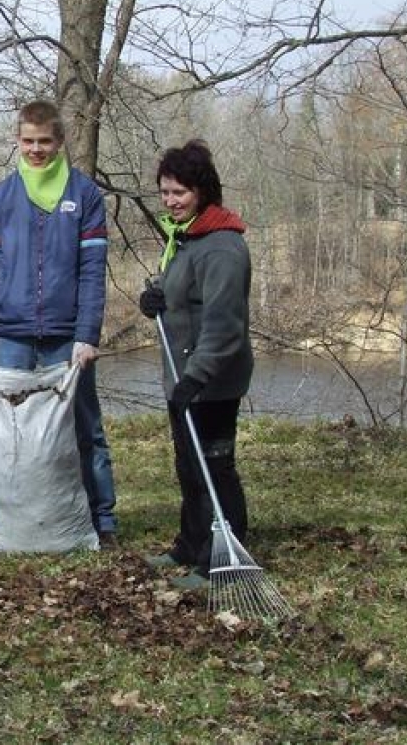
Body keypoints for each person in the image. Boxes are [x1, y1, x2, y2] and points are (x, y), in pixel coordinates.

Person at [0, 98, 117, 551]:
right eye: (28, 142)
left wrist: (87, 335)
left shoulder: (85, 196)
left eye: (45, 142)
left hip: (66, 338)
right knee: (2, 430)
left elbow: (93, 272)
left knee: (86, 428)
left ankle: (102, 521)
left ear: (60, 141)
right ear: (17, 141)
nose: (36, 150)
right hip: (9, 336)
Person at [138, 139, 253, 591]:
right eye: (164, 192)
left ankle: (222, 562)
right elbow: (186, 302)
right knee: (188, 465)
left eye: (178, 192)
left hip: (213, 382)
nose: (170, 201)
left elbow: (224, 326)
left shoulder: (223, 247)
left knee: (214, 468)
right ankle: (189, 544)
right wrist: (157, 303)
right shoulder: (187, 239)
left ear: (202, 191)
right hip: (184, 376)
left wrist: (197, 378)